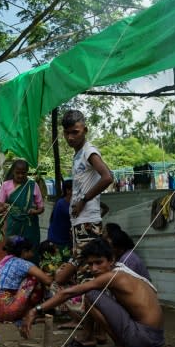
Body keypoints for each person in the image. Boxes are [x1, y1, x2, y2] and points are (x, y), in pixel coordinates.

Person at [22, 238, 164, 347]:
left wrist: (35, 310)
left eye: (98, 262)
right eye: (90, 264)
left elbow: (68, 293)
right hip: (154, 340)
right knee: (94, 293)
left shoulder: (114, 276)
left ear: (111, 260)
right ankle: (89, 336)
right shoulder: (124, 272)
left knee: (91, 294)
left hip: (143, 341)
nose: (94, 268)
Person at [61, 110, 113, 261]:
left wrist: (83, 200)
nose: (70, 137)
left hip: (87, 221)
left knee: (88, 270)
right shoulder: (78, 154)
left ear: (85, 130)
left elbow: (108, 177)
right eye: (66, 133)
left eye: (75, 132)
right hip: (80, 221)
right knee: (82, 266)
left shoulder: (89, 151)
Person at [0, 235, 52, 323]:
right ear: (24, 251)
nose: (33, 254)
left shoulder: (4, 261)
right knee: (34, 279)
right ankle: (31, 313)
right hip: (9, 311)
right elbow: (48, 281)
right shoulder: (24, 264)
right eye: (31, 251)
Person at [0, 159, 44, 251]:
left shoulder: (33, 185)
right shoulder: (6, 185)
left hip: (29, 225)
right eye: (17, 173)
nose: (20, 175)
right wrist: (4, 207)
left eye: (23, 173)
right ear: (13, 171)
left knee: (29, 251)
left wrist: (35, 211)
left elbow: (41, 208)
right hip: (13, 225)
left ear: (27, 172)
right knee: (12, 250)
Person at [47, 179, 73, 254]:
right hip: (57, 240)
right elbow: (74, 215)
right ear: (68, 190)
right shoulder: (61, 203)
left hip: (64, 239)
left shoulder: (69, 203)